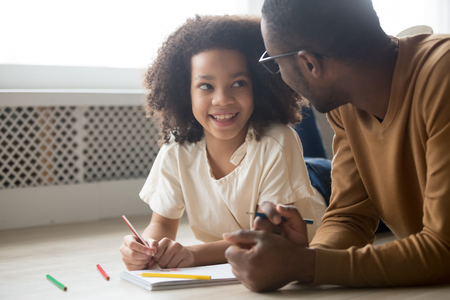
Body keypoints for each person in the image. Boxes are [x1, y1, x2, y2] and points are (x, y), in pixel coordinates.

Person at [224, 0, 450, 291]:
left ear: (309, 64)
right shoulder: (346, 102)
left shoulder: (443, 78)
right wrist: (301, 257)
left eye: (276, 64)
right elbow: (349, 217)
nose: (281, 75)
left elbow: (444, 249)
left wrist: (302, 264)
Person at [119, 15, 330, 271]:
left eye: (238, 83)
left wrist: (192, 255)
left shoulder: (278, 141)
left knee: (292, 140)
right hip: (287, 170)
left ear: (259, 87)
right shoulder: (176, 149)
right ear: (185, 92)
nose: (222, 99)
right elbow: (162, 224)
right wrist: (147, 247)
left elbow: (270, 237)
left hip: (324, 187)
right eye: (206, 86)